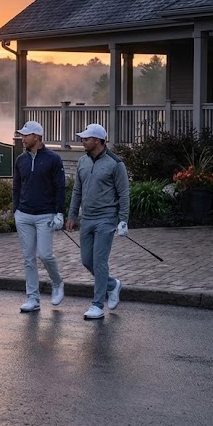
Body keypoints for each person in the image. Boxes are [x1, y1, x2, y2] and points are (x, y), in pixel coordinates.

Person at [65, 124, 130, 320]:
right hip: (87, 218)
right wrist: (72, 215)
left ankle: (97, 305)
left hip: (106, 219)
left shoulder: (115, 163)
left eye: (86, 138)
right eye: (83, 138)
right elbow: (77, 190)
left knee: (100, 262)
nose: (82, 141)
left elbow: (124, 193)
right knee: (87, 260)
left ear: (98, 140)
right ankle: (113, 285)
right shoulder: (82, 161)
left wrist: (123, 220)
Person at [12, 121, 66, 313]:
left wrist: (59, 212)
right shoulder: (21, 160)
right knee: (28, 258)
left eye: (26, 135)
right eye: (22, 135)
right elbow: (17, 187)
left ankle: (58, 282)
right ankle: (33, 298)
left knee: (45, 254)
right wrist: (15, 210)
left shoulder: (53, 159)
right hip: (24, 214)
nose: (22, 138)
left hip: (45, 215)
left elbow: (60, 186)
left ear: (36, 137)